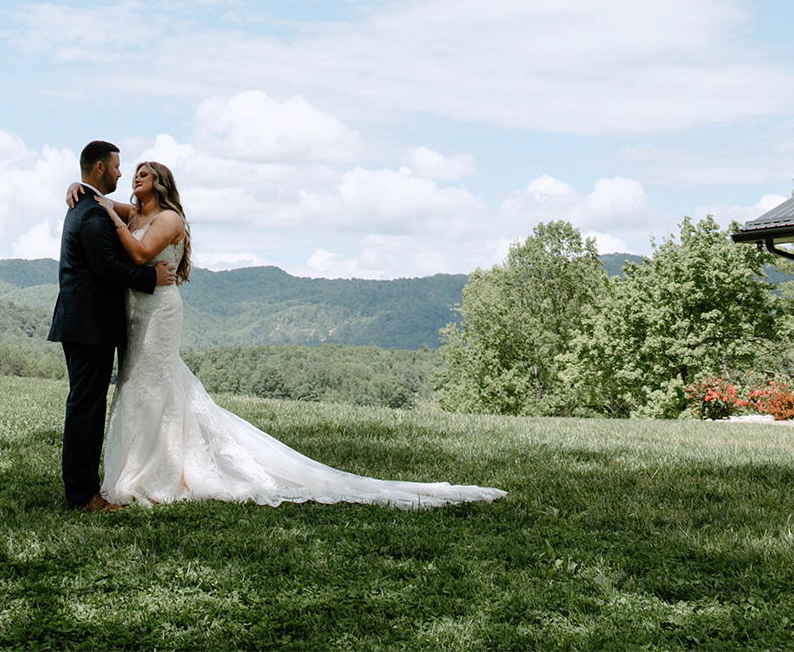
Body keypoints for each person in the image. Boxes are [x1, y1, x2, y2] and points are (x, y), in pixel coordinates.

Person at [66, 158, 507, 511]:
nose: (131, 177)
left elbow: (141, 250)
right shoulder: (137, 211)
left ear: (160, 183)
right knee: (137, 385)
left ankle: (160, 473)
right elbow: (97, 197)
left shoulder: (167, 217)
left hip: (159, 311)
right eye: (128, 171)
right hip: (136, 313)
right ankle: (138, 469)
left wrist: (109, 211)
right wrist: (81, 190)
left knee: (156, 384)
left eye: (143, 173)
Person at [48, 138, 178, 512]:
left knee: (85, 405)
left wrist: (77, 185)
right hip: (89, 324)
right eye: (119, 167)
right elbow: (105, 267)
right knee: (86, 409)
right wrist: (152, 279)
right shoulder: (89, 211)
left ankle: (85, 489)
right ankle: (82, 496)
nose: (123, 173)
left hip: (86, 323)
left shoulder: (91, 205)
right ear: (101, 168)